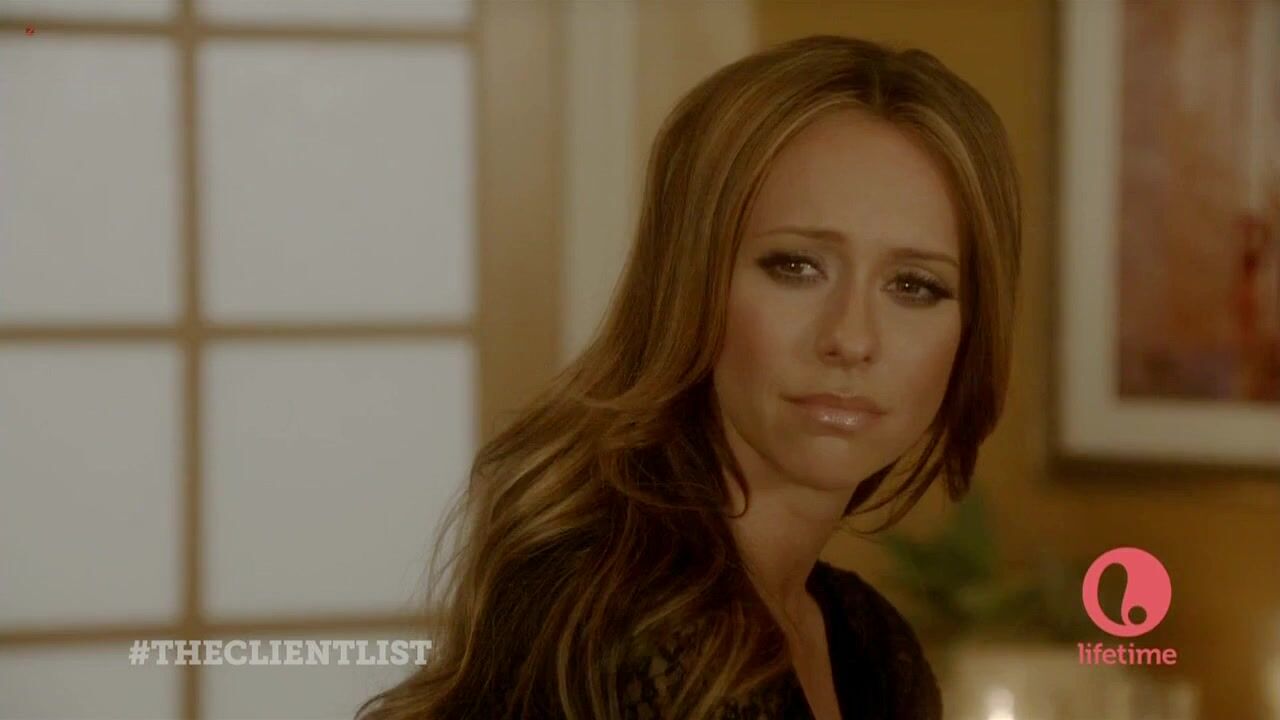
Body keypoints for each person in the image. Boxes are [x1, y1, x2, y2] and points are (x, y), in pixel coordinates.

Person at [355, 33, 1021, 720]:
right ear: (690, 283)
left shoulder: (871, 643)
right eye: (795, 267)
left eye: (914, 285)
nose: (851, 339)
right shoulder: (635, 624)